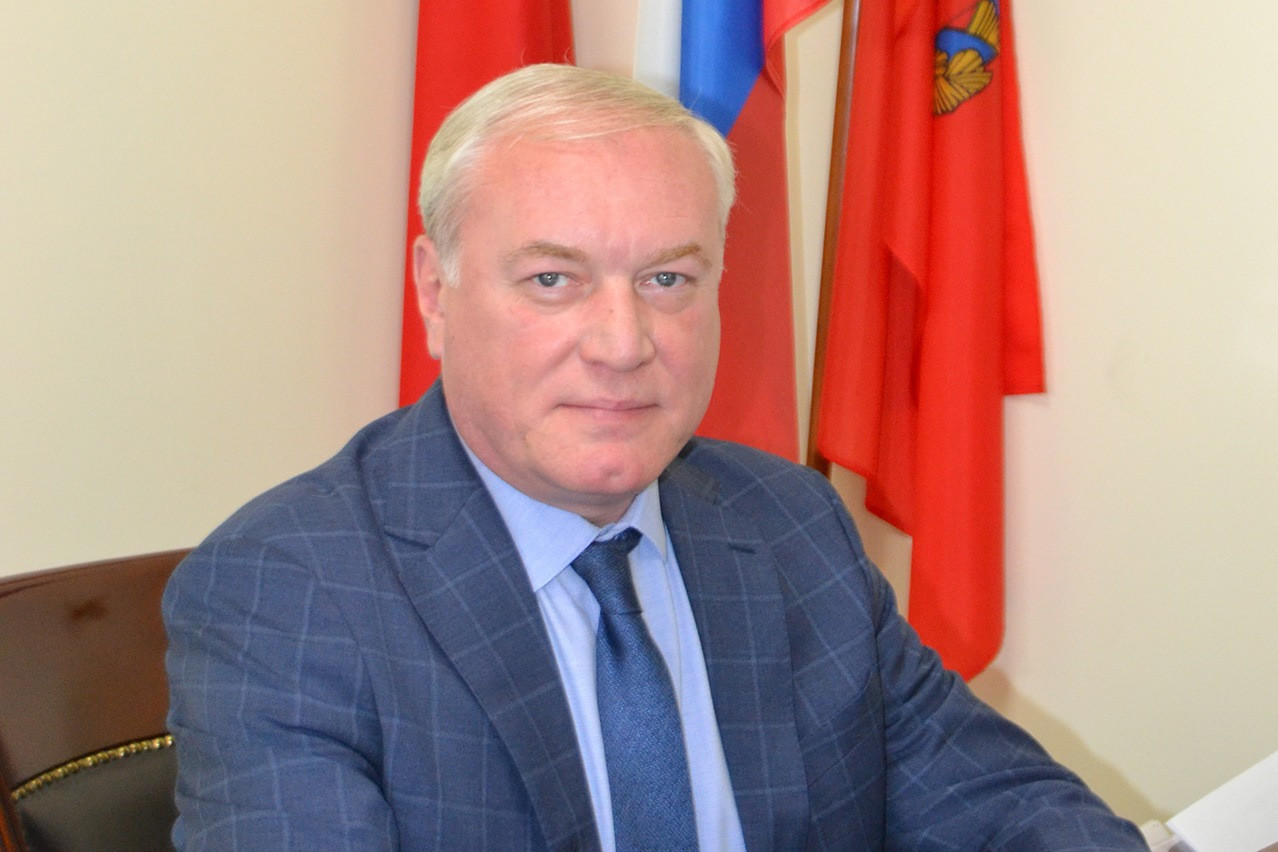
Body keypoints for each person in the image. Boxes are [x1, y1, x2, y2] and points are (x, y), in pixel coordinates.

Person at [163, 64, 1144, 850]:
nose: (623, 343)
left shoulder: (790, 525)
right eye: (554, 279)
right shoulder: (287, 592)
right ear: (435, 291)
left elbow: (1003, 807)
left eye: (667, 279)